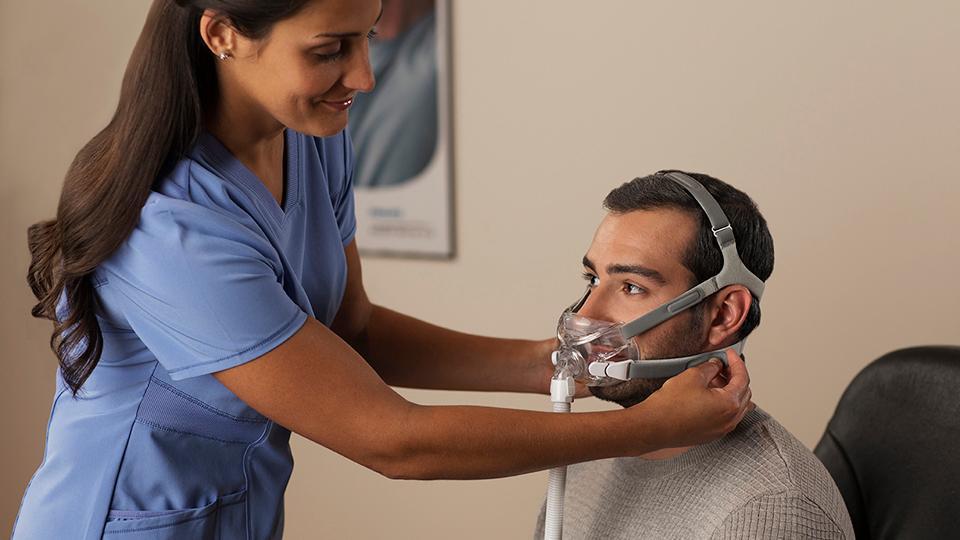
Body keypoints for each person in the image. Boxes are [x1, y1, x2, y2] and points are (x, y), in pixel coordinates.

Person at [12, 2, 753, 539]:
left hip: (236, 512)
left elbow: (351, 331)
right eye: (331, 48)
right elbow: (391, 439)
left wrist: (564, 366)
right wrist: (644, 429)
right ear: (223, 34)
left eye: (367, 37)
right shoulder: (172, 224)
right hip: (120, 521)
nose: (363, 75)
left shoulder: (309, 134)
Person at [534, 171, 854, 539]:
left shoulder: (772, 508)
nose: (586, 315)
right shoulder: (589, 457)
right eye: (592, 279)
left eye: (632, 287)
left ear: (723, 314)